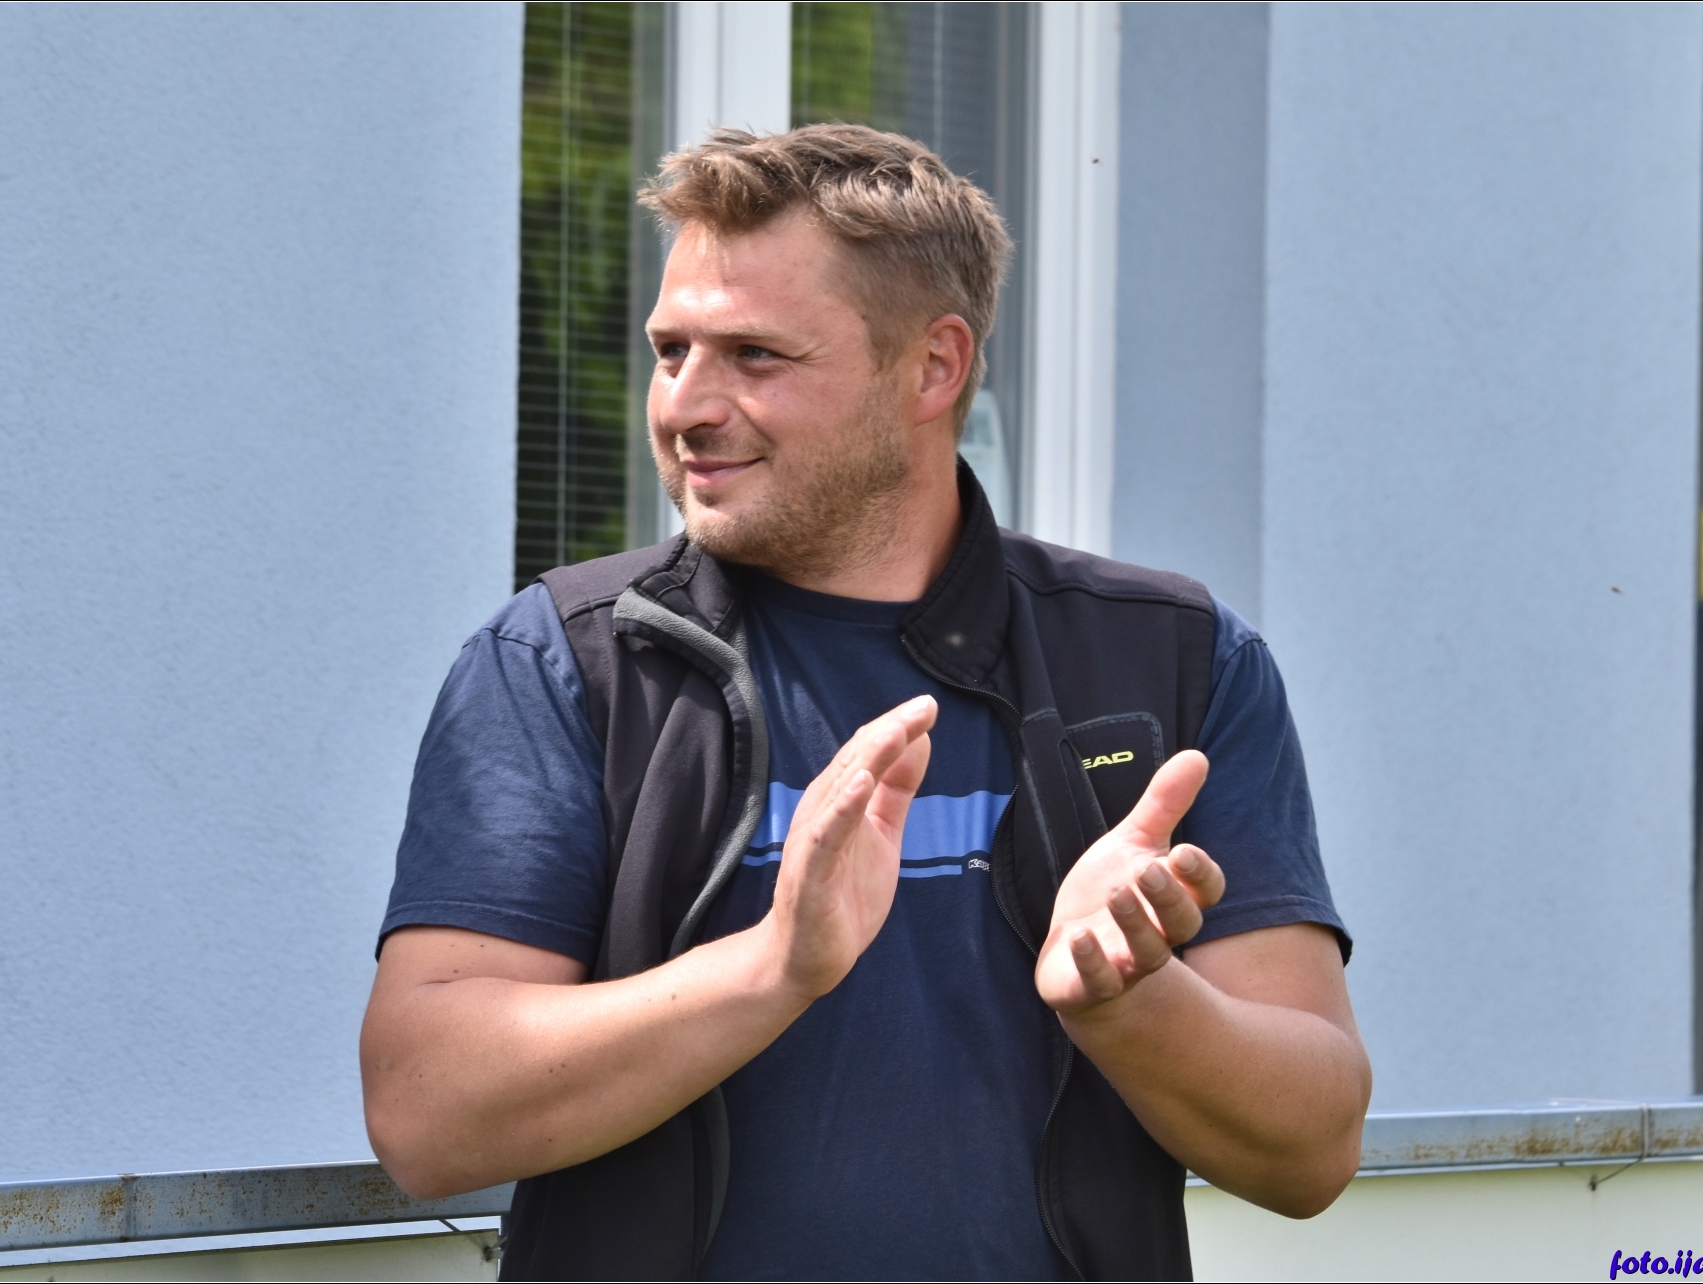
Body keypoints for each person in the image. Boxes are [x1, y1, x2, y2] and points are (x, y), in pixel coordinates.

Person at [360, 124, 1371, 1283]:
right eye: (671, 350)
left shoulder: (1166, 662)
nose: (686, 406)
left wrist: (1132, 1002)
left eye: (754, 356)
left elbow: (1310, 1151)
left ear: (934, 367)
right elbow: (427, 1112)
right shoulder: (566, 661)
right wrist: (773, 968)